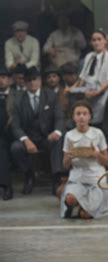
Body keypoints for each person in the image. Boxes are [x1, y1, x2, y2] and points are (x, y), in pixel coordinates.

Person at [10, 67, 64, 195]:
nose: (32, 83)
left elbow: (60, 117)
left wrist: (56, 131)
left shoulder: (51, 96)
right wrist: (26, 140)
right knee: (15, 148)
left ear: (40, 81)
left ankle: (56, 177)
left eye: (35, 79)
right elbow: (15, 126)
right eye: (28, 80)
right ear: (24, 82)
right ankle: (29, 175)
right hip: (29, 138)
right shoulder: (18, 100)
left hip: (47, 137)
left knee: (59, 139)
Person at [61, 100, 108, 219]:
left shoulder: (98, 133)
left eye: (84, 113)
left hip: (96, 177)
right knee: (70, 199)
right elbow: (65, 165)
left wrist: (96, 154)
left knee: (86, 215)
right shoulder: (69, 136)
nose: (81, 117)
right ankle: (75, 206)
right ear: (73, 116)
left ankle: (85, 209)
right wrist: (70, 157)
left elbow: (107, 161)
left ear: (90, 116)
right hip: (77, 176)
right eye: (78, 114)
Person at [69, 30, 108, 127]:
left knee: (102, 121)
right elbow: (82, 78)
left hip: (103, 94)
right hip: (88, 93)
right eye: (94, 40)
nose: (96, 42)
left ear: (105, 41)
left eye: (99, 39)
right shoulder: (89, 56)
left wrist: (97, 92)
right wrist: (71, 88)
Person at [0, 67, 14, 200]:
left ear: (10, 80)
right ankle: (6, 186)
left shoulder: (18, 95)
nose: (0, 80)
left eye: (3, 77)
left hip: (16, 133)